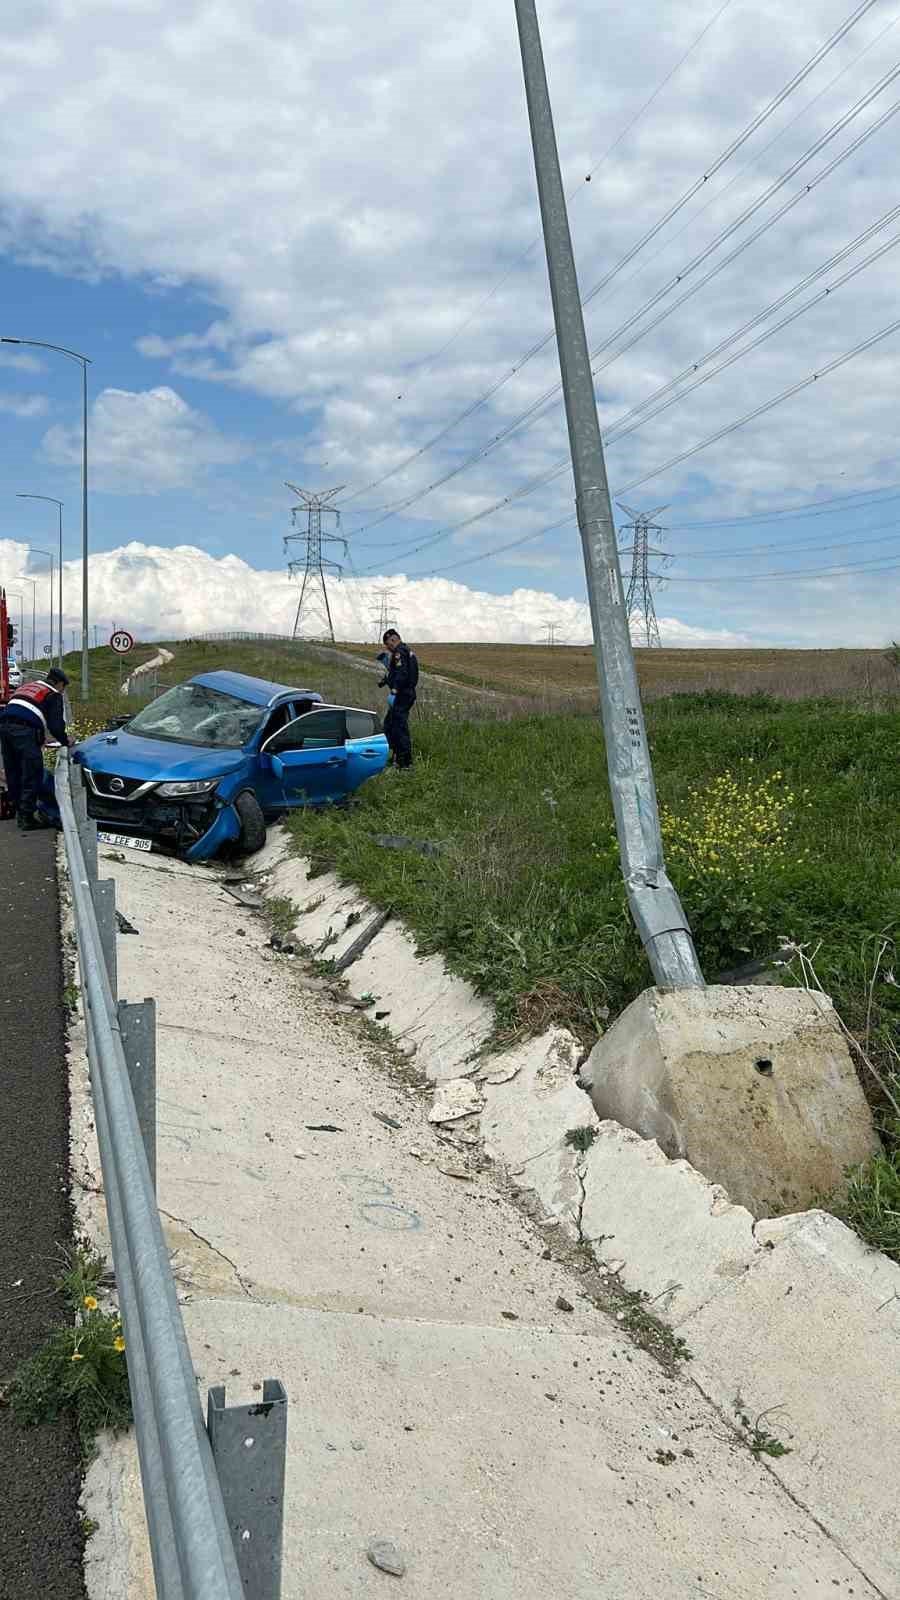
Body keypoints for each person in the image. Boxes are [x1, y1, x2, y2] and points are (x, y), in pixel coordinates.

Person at [0, 666, 70, 830]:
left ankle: (17, 808)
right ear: (59, 684)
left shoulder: (27, 687)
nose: (63, 691)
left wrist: (38, 735)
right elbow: (56, 726)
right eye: (63, 687)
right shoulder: (53, 694)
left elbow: (26, 710)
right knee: (32, 772)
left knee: (14, 771)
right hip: (24, 731)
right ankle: (26, 818)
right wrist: (66, 740)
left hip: (4, 727)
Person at [377, 628, 418, 770]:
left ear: (393, 639)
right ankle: (394, 756)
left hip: (402, 694)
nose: (388, 648)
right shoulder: (407, 651)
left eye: (388, 644)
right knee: (389, 725)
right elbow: (397, 672)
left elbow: (402, 673)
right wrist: (385, 681)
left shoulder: (399, 652)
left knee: (399, 728)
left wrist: (395, 689)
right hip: (405, 693)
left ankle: (405, 762)